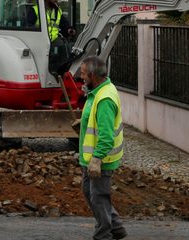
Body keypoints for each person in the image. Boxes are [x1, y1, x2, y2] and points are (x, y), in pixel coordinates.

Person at [77, 56, 127, 240]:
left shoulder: (105, 98)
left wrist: (97, 159)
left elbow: (106, 137)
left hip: (100, 160)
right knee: (91, 194)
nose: (81, 78)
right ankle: (116, 228)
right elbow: (95, 120)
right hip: (90, 158)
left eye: (83, 74)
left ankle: (103, 235)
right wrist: (82, 122)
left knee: (99, 198)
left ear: (92, 75)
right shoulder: (98, 91)